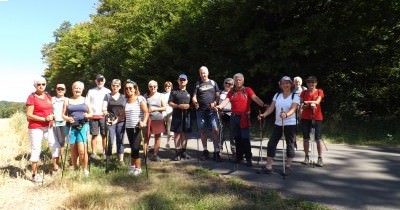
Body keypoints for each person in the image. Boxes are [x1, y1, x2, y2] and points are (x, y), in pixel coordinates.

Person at [216, 73, 266, 167]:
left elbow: (255, 98)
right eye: (236, 80)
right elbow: (226, 101)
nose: (238, 81)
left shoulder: (247, 90)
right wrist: (219, 106)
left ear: (243, 81)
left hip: (244, 117)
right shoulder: (231, 92)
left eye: (239, 80)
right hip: (234, 117)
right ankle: (239, 157)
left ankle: (248, 158)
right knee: (237, 138)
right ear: (234, 81)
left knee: (245, 138)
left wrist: (263, 105)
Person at [258, 76, 300, 173]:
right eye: (283, 83)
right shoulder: (277, 95)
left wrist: (286, 114)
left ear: (291, 84)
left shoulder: (295, 96)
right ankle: (268, 166)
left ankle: (288, 166)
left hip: (290, 123)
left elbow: (294, 109)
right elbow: (271, 108)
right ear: (280, 85)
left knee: (290, 144)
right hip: (278, 123)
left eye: (287, 83)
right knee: (271, 143)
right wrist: (263, 115)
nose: (285, 85)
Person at [26, 77, 60, 182]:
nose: (41, 86)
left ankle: (55, 167)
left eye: (43, 84)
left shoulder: (48, 96)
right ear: (35, 85)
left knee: (55, 145)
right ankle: (34, 174)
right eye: (39, 84)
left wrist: (52, 116)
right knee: (36, 149)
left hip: (48, 126)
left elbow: (50, 110)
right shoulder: (32, 97)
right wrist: (44, 118)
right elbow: (29, 115)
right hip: (36, 127)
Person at [192, 66, 221, 162]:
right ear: (199, 74)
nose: (203, 74)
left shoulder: (213, 83)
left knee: (215, 129)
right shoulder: (197, 84)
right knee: (202, 130)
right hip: (200, 111)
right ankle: (205, 150)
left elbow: (217, 95)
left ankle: (216, 152)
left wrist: (215, 103)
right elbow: (194, 96)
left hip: (212, 110)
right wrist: (195, 102)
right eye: (201, 73)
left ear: (208, 73)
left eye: (204, 73)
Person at [62, 81, 92, 175]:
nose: (77, 89)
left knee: (82, 150)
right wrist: (67, 118)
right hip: (71, 127)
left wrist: (87, 115)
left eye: (79, 88)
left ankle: (85, 169)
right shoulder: (67, 100)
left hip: (83, 126)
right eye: (75, 88)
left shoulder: (85, 100)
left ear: (82, 90)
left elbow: (91, 114)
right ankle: (75, 168)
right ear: (72, 89)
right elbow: (63, 115)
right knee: (73, 149)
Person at [123, 79, 149, 175]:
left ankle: (138, 168)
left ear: (135, 89)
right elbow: (122, 115)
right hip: (129, 127)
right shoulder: (125, 100)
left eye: (130, 88)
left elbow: (146, 112)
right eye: (126, 88)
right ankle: (132, 166)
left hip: (138, 126)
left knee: (135, 148)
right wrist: (114, 121)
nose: (128, 90)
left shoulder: (140, 98)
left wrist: (144, 122)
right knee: (132, 147)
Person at [300, 76, 325, 167]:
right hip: (305, 118)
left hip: (317, 117)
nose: (311, 84)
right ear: (307, 84)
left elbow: (318, 102)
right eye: (309, 82)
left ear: (316, 83)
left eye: (313, 82)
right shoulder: (303, 92)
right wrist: (310, 104)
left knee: (318, 139)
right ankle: (306, 157)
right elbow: (302, 105)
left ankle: (320, 158)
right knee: (306, 138)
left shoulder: (319, 91)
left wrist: (309, 103)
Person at [86, 74, 111, 159]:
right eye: (98, 80)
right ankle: (93, 153)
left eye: (101, 80)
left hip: (104, 116)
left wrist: (107, 112)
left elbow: (110, 103)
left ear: (104, 81)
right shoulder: (91, 91)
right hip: (93, 116)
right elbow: (87, 103)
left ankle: (104, 152)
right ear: (96, 81)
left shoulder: (108, 91)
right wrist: (90, 113)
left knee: (104, 135)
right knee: (94, 135)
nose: (100, 82)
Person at [169, 74, 192, 161]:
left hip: (187, 116)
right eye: (181, 80)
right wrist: (178, 106)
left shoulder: (190, 92)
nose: (182, 81)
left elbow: (193, 104)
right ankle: (177, 152)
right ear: (178, 81)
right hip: (177, 116)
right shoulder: (174, 92)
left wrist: (189, 106)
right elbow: (170, 103)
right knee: (177, 134)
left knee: (185, 134)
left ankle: (183, 152)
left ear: (187, 81)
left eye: (184, 80)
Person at [102, 79, 126, 162]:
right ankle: (108, 158)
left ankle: (120, 160)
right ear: (111, 86)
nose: (115, 87)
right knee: (110, 139)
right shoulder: (107, 96)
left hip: (121, 120)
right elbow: (104, 107)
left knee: (120, 139)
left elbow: (126, 109)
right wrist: (105, 112)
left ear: (120, 86)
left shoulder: (123, 97)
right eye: (113, 85)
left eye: (117, 85)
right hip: (110, 120)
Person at [144, 80, 166, 162]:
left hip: (158, 119)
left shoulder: (161, 95)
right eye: (150, 86)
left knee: (158, 137)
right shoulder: (145, 96)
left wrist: (155, 108)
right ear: (148, 87)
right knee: (147, 137)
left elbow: (164, 107)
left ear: (157, 87)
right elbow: (143, 108)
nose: (152, 88)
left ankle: (155, 155)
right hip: (148, 119)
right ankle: (145, 156)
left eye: (154, 86)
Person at [217, 77, 236, 156]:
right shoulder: (220, 92)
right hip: (222, 114)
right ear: (224, 84)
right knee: (221, 132)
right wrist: (219, 111)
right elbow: (217, 103)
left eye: (230, 84)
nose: (228, 85)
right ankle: (220, 149)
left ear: (233, 85)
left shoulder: (235, 93)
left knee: (233, 133)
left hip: (232, 114)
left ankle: (234, 150)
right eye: (226, 83)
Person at [52, 83, 68, 169]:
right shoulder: (52, 99)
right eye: (59, 89)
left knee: (62, 143)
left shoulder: (67, 100)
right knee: (55, 144)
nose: (60, 90)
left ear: (65, 90)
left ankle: (60, 161)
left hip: (64, 124)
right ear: (56, 89)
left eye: (62, 89)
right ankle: (55, 164)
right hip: (54, 124)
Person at [162, 81, 173, 148]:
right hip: (163, 112)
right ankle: (157, 143)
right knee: (160, 127)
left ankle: (168, 143)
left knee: (169, 128)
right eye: (166, 86)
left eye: (169, 86)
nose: (167, 87)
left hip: (170, 111)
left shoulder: (173, 94)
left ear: (171, 87)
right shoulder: (162, 94)